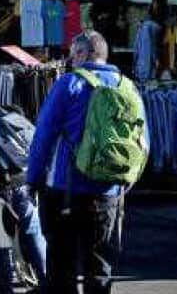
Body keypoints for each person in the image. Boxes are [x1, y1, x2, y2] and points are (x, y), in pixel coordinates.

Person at [26, 31, 147, 294]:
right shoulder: (128, 87)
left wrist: (32, 180)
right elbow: (143, 143)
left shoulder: (69, 83)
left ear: (83, 54)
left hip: (67, 188)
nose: (71, 60)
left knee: (62, 268)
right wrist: (124, 184)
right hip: (109, 192)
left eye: (73, 55)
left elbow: (43, 136)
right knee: (100, 268)